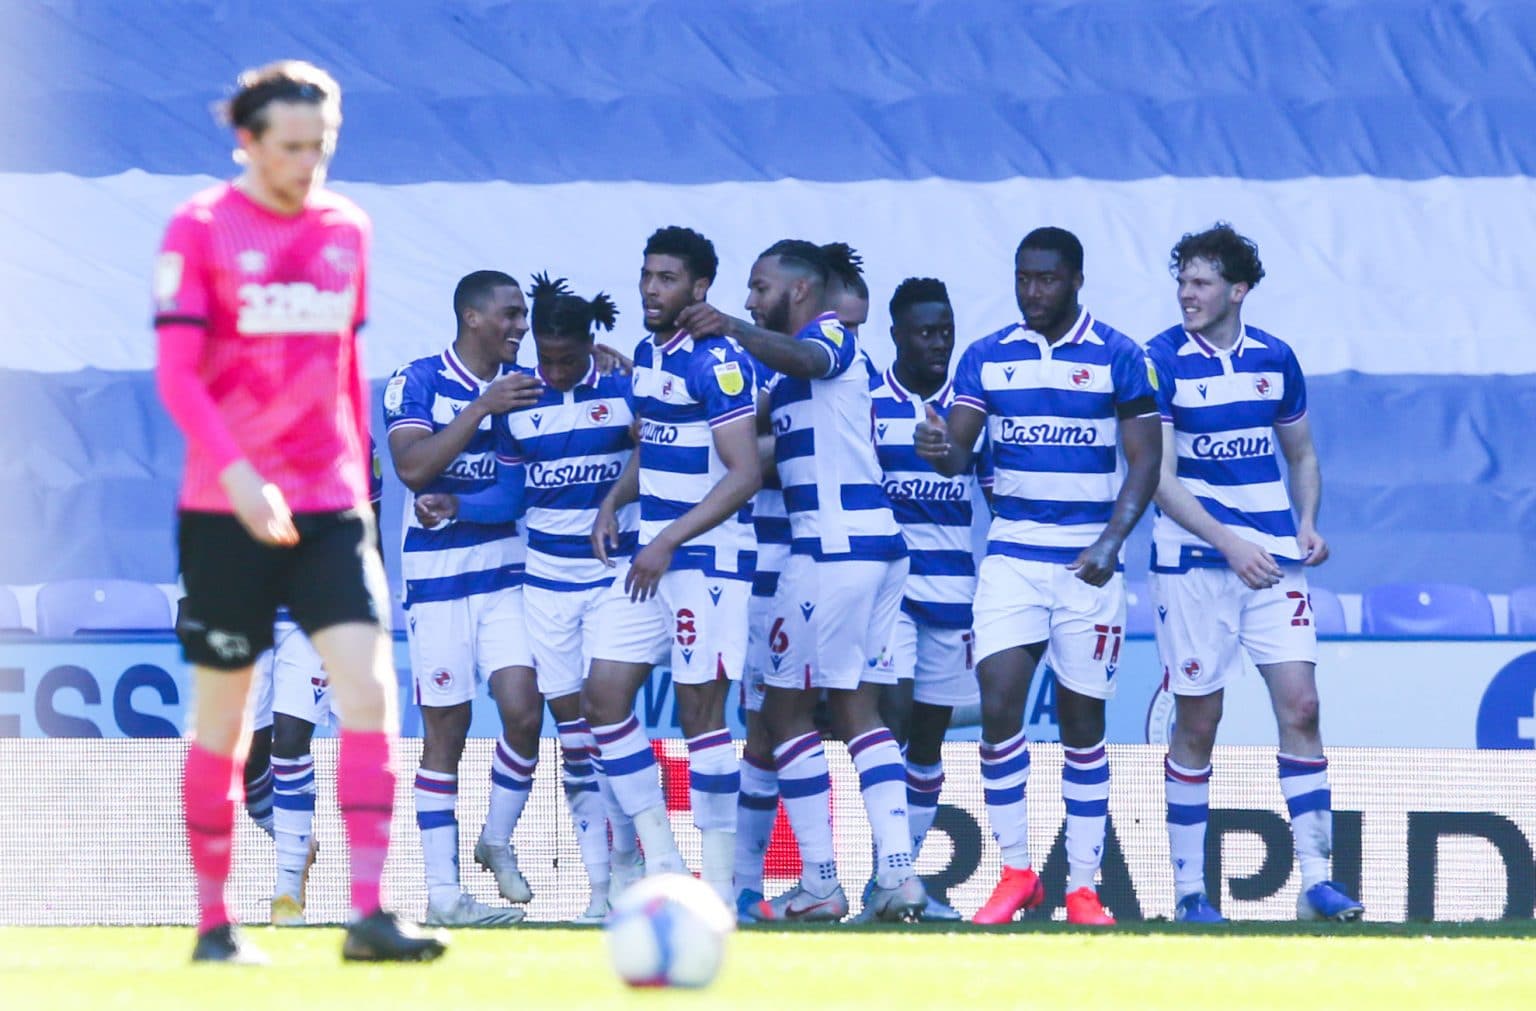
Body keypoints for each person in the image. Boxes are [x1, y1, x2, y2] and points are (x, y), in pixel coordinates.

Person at [154, 59, 444, 963]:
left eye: (323, 145)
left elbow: (344, 366)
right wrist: (238, 474)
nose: (308, 163)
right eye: (291, 147)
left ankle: (369, 914)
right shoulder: (200, 228)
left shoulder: (346, 229)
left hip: (329, 505)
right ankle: (215, 924)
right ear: (248, 142)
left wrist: (358, 486)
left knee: (369, 691)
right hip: (227, 509)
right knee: (225, 721)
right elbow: (178, 377)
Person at [915, 227, 1161, 926]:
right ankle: (1017, 871)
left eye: (1046, 279)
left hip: (1087, 568)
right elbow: (958, 453)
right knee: (999, 709)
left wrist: (1112, 541)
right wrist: (936, 445)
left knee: (1083, 726)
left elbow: (1146, 460)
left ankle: (1082, 886)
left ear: (1075, 279)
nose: (1032, 291)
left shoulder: (1118, 355)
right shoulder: (988, 356)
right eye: (1023, 277)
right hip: (1012, 561)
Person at [677, 241, 926, 923]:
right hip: (867, 548)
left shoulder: (831, 335)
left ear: (798, 291)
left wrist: (730, 326)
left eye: (760, 287)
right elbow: (739, 428)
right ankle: (898, 874)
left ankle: (821, 881)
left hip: (831, 551)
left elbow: (810, 359)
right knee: (857, 711)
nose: (751, 299)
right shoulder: (785, 375)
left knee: (783, 714)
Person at [1145, 222, 1363, 924]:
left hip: (1274, 561)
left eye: (1201, 282)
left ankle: (1318, 882)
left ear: (1237, 290)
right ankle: (1189, 893)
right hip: (1194, 564)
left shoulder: (1276, 357)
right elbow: (1157, 478)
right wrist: (1229, 543)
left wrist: (1307, 521)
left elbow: (1302, 454)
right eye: (1182, 282)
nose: (1187, 294)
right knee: (1198, 720)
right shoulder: (1160, 360)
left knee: (1302, 707)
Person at [586, 226, 761, 902]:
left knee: (701, 716)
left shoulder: (719, 361)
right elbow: (656, 444)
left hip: (707, 561)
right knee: (602, 697)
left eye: (667, 278)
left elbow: (744, 473)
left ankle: (718, 888)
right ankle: (663, 860)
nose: (651, 289)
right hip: (650, 556)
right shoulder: (646, 352)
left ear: (699, 287)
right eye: (647, 275)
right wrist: (614, 501)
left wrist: (667, 542)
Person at [383, 269, 544, 926]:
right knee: (445, 731)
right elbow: (412, 467)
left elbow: (513, 494)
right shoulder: (416, 380)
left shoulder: (522, 386)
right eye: (510, 314)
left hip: (506, 574)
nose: (521, 326)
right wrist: (481, 407)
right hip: (437, 583)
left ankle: (495, 838)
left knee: (524, 711)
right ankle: (444, 895)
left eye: (524, 315)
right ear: (473, 317)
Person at [488, 273, 644, 921]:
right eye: (544, 358)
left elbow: (658, 453)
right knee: (575, 740)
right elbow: (506, 498)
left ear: (590, 345)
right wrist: (451, 504)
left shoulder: (625, 387)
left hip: (613, 578)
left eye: (566, 358)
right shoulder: (517, 400)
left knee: (610, 722)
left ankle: (632, 861)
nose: (553, 371)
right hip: (545, 586)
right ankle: (599, 888)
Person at [732, 263, 869, 922]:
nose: (751, 302)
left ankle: (861, 875)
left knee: (836, 714)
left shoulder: (834, 356)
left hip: (827, 564)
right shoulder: (764, 367)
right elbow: (739, 448)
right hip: (766, 575)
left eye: (759, 290)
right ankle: (742, 884)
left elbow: (754, 452)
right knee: (762, 730)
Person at [862, 277, 988, 923]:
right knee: (894, 719)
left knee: (929, 742)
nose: (938, 343)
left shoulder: (972, 409)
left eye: (945, 331)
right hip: (891, 591)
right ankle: (894, 871)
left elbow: (995, 489)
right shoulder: (868, 402)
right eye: (925, 332)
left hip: (954, 592)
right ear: (897, 336)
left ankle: (893, 881)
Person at [242, 438, 386, 926]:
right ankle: (296, 857)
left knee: (302, 739)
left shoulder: (352, 441)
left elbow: (368, 531)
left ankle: (311, 893)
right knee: (255, 758)